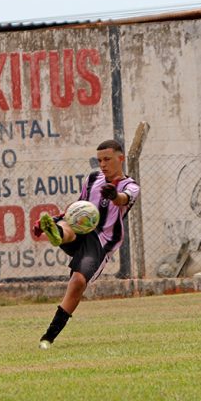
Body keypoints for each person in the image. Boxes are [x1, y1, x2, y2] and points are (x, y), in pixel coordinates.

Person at [35, 139, 140, 349]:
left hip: (101, 242)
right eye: (99, 160)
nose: (102, 164)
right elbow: (77, 208)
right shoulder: (93, 178)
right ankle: (56, 232)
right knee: (73, 223)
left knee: (78, 282)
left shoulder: (131, 186)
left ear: (120, 159)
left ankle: (48, 336)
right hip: (80, 228)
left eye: (107, 159)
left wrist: (114, 195)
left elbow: (123, 199)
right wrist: (54, 219)